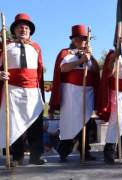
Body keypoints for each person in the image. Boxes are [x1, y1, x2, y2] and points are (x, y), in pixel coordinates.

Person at [0, 13, 46, 165]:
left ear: (30, 31)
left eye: (26, 27)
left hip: (33, 90)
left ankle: (36, 156)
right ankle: (17, 157)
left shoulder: (36, 47)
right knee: (14, 123)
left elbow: (40, 70)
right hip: (12, 90)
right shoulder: (5, 46)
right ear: (14, 30)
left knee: (35, 124)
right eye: (20, 27)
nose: (23, 29)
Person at [49, 24, 100, 162]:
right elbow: (63, 69)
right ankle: (64, 150)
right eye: (77, 39)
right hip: (71, 93)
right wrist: (80, 61)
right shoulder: (66, 53)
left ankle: (85, 151)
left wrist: (90, 57)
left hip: (87, 92)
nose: (80, 41)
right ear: (72, 40)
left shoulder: (89, 55)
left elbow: (96, 70)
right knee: (70, 122)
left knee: (86, 122)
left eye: (83, 39)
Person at [98, 23, 122, 164]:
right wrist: (115, 57)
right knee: (116, 121)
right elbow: (110, 72)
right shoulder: (114, 55)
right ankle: (109, 151)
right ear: (120, 40)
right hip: (119, 92)